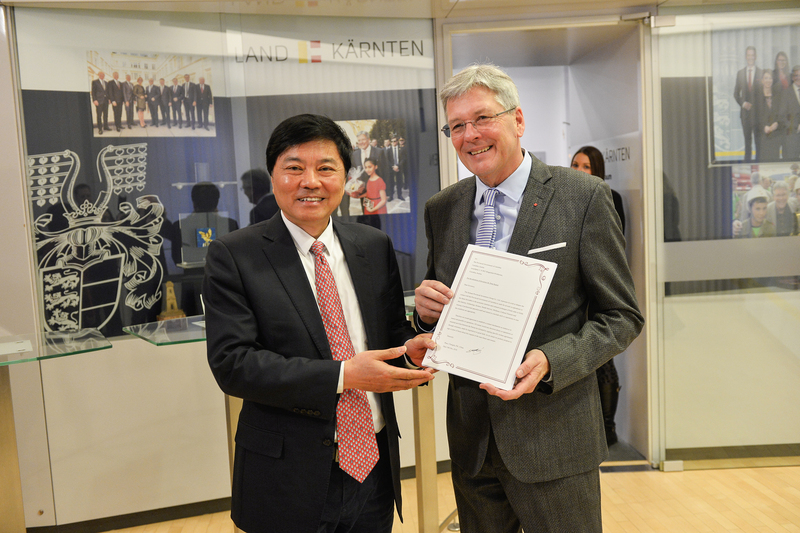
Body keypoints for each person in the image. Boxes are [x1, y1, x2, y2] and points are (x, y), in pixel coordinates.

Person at [414, 64, 643, 532]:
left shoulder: (583, 197)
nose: (470, 135)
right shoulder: (443, 208)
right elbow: (442, 313)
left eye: (482, 118)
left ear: (517, 120)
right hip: (473, 441)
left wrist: (552, 360)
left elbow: (622, 316)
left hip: (554, 437)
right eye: (456, 125)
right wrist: (425, 315)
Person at [203, 113, 435, 533]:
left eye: (326, 168)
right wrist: (344, 376)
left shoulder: (373, 245)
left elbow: (389, 334)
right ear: (273, 176)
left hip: (374, 469)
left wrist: (410, 350)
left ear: (345, 177)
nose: (310, 181)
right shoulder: (235, 255)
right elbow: (233, 364)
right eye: (294, 168)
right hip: (287, 475)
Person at [569, 145, 625, 446]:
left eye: (586, 166)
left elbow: (614, 251)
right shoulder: (564, 198)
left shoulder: (609, 198)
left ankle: (608, 428)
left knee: (604, 359)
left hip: (597, 291)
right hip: (572, 291)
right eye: (575, 165)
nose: (579, 171)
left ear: (598, 170)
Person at [733, 46, 762, 162]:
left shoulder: (761, 73)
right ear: (746, 57)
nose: (750, 57)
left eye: (752, 55)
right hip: (745, 115)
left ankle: (760, 165)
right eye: (748, 55)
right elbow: (735, 94)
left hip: (758, 115)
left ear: (755, 56)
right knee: (747, 143)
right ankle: (747, 165)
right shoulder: (740, 73)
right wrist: (743, 103)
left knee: (758, 143)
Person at [755, 70, 783, 162]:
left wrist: (777, 123)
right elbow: (754, 117)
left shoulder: (778, 96)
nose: (768, 80)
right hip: (762, 136)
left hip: (775, 135)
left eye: (770, 78)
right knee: (764, 162)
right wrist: (763, 127)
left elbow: (782, 113)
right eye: (766, 78)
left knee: (775, 161)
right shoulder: (757, 97)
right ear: (762, 80)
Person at [779, 65, 800, 161]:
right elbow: (781, 116)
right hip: (791, 138)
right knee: (792, 165)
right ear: (792, 77)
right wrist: (796, 126)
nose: (798, 78)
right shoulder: (786, 93)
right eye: (796, 75)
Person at [91, 71, 110, 135]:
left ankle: (106, 126)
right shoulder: (95, 82)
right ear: (98, 75)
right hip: (99, 101)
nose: (102, 76)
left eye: (103, 75)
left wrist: (109, 99)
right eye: (101, 74)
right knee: (99, 115)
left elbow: (107, 92)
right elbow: (93, 92)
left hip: (106, 101)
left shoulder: (106, 83)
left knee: (105, 115)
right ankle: (100, 129)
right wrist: (94, 100)